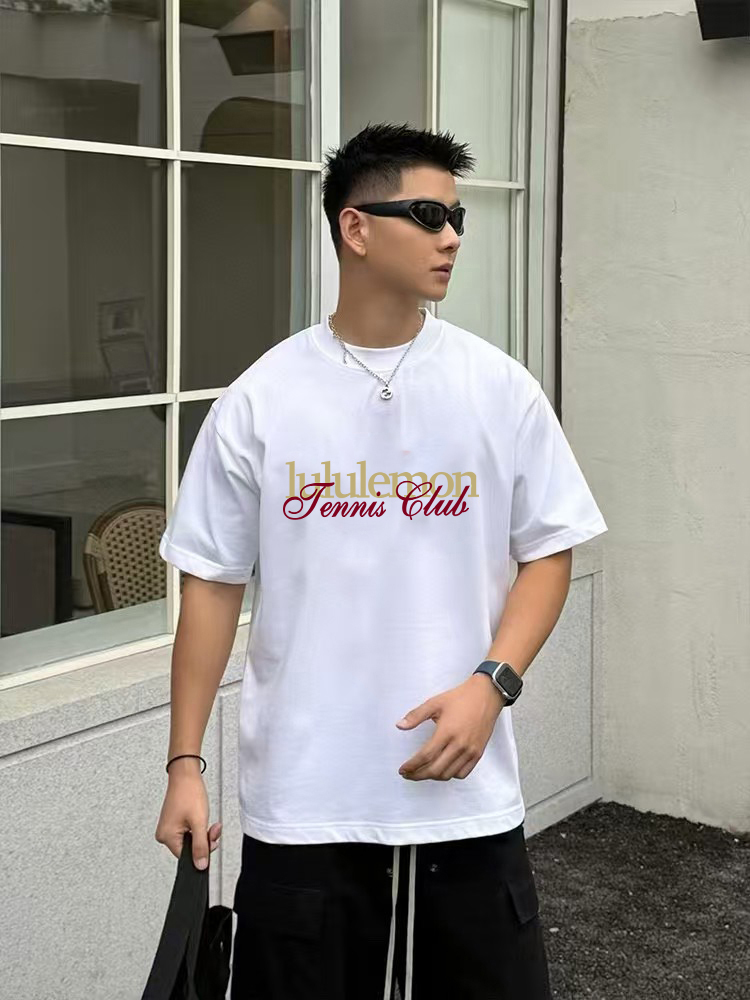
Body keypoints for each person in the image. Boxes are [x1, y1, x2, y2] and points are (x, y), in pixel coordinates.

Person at [154, 122, 608, 1000]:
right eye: (429, 215)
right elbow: (210, 585)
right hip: (305, 801)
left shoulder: (499, 388)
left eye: (458, 217)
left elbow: (549, 552)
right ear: (355, 228)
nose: (453, 237)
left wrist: (492, 684)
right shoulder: (261, 399)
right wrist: (184, 766)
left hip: (465, 798)